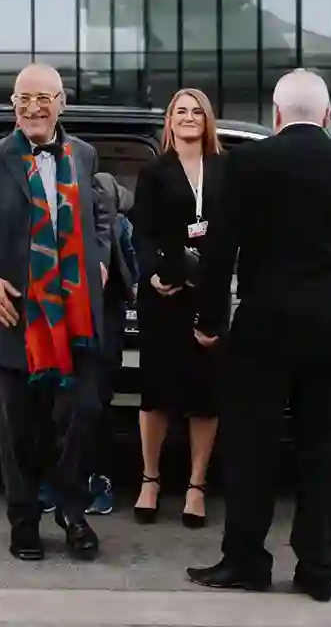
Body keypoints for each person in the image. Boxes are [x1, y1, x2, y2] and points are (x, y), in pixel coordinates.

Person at [186, 69, 331, 602]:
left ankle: (246, 562)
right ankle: (320, 571)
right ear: (327, 116)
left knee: (252, 448)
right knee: (326, 449)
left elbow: (219, 252)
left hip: (264, 324)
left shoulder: (246, 164)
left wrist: (209, 321)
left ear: (276, 115)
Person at [0, 62, 112, 562]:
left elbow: (99, 216)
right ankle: (25, 521)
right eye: (24, 99)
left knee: (80, 418)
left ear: (61, 104)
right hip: (14, 321)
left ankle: (72, 513)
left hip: (75, 321)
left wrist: (98, 261)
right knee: (18, 432)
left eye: (43, 98)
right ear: (13, 105)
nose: (33, 108)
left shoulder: (83, 155)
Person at [129, 88, 226, 530]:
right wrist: (151, 272)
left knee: (205, 395)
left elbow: (235, 230)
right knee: (156, 390)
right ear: (169, 121)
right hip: (163, 292)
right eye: (180, 111)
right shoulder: (154, 170)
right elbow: (140, 231)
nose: (188, 117)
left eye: (196, 112)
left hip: (209, 292)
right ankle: (150, 480)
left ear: (207, 121)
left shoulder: (225, 169)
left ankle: (195, 486)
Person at [85, 170, 139, 516]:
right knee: (69, 399)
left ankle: (95, 478)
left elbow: (131, 269)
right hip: (69, 308)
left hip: (103, 311)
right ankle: (86, 480)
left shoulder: (112, 213)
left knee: (93, 399)